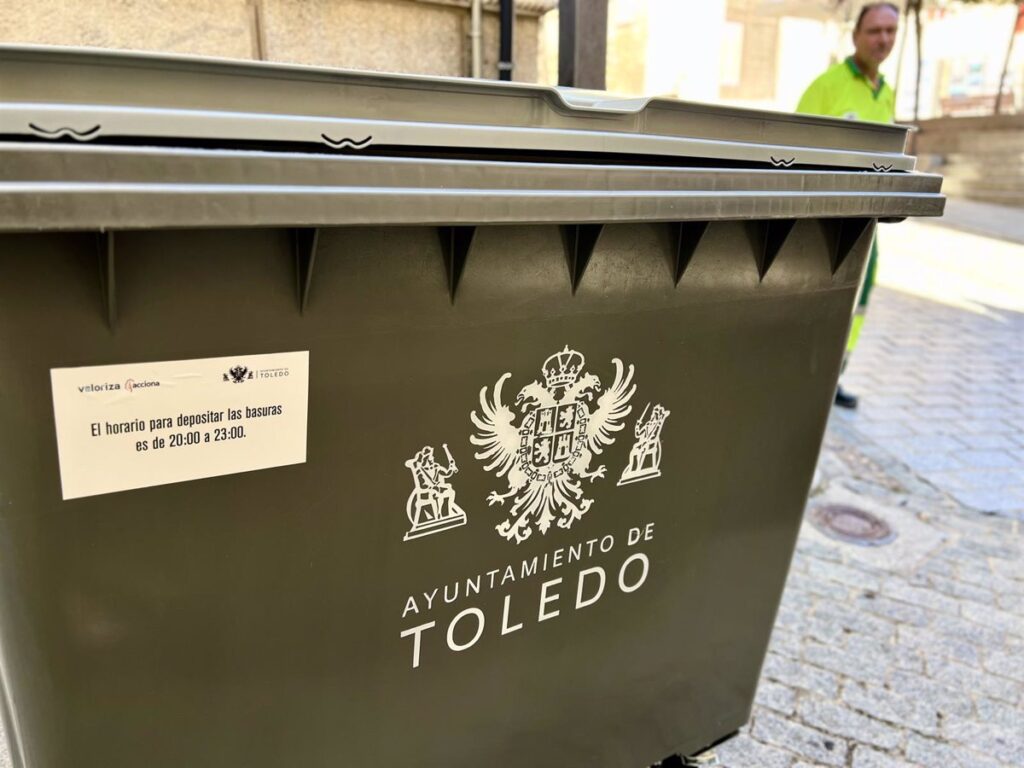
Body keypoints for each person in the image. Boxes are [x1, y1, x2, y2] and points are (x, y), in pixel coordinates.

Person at [797, 2, 899, 409]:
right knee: (820, 295)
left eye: (891, 31)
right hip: (828, 220)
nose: (883, 40)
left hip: (866, 220)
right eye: (875, 31)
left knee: (860, 295)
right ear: (856, 35)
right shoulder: (827, 86)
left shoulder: (885, 92)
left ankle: (835, 374)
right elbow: (794, 150)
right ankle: (806, 371)